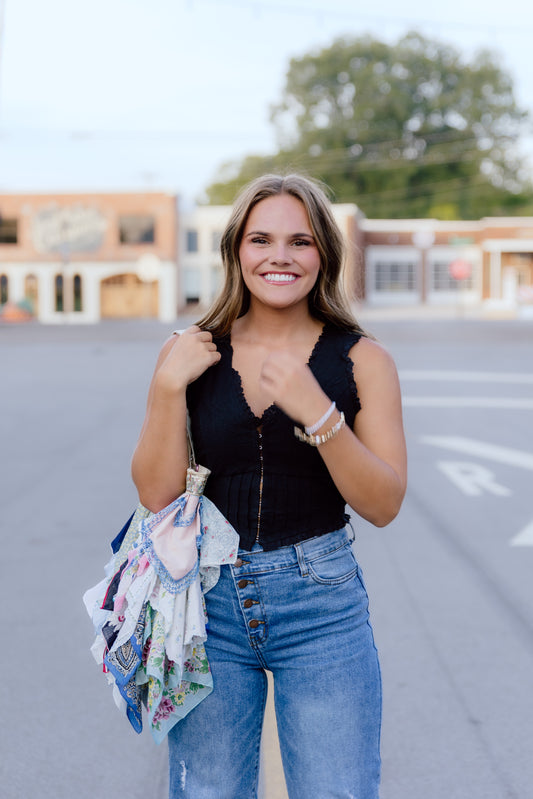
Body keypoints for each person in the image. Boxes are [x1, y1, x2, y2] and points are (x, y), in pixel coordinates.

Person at [131, 173, 407, 798]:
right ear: (235, 251)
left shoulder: (364, 362)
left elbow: (383, 503)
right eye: (261, 239)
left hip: (321, 607)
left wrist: (321, 414)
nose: (279, 256)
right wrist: (167, 387)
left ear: (324, 257)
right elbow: (156, 494)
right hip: (208, 603)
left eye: (300, 242)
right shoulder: (189, 352)